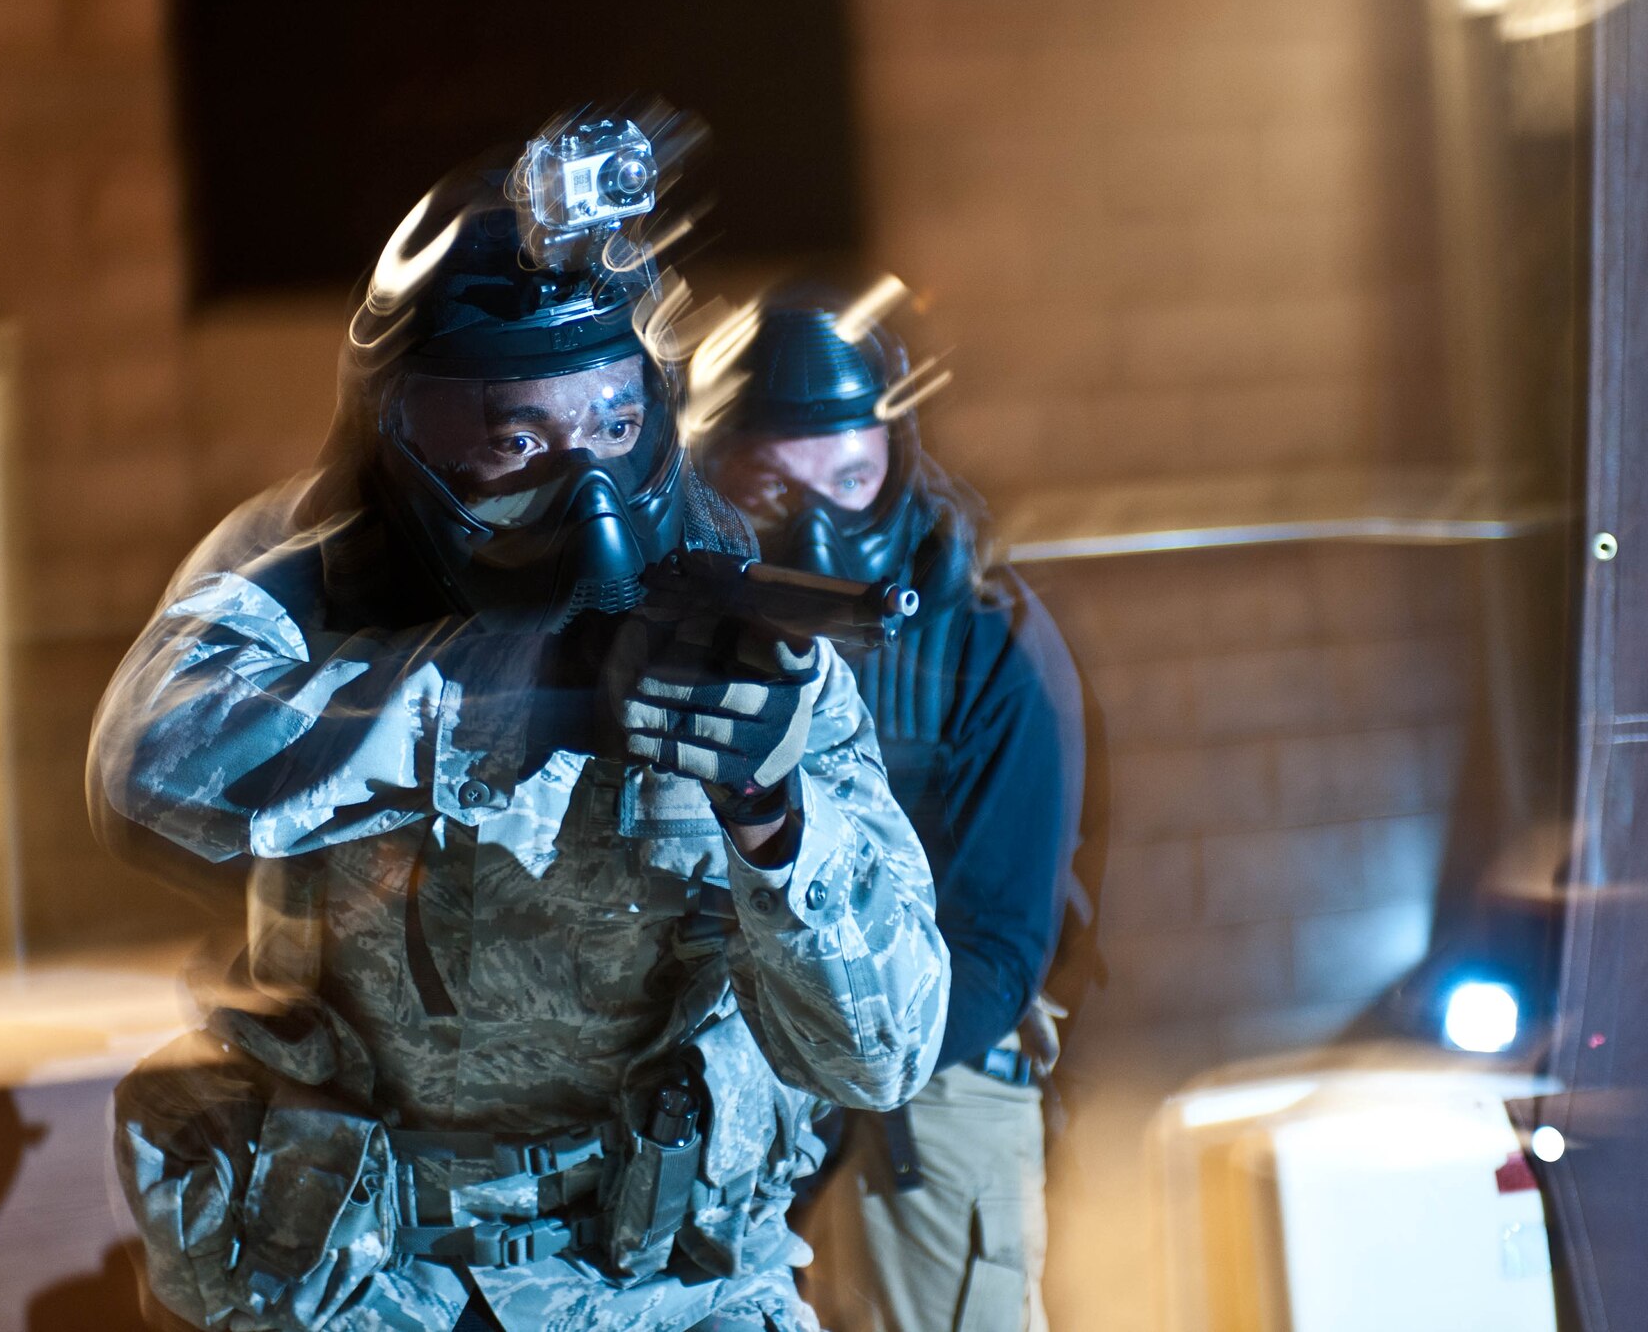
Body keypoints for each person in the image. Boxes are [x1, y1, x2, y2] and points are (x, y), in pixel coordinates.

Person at [87, 113, 949, 1332]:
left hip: (680, 1281)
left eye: (609, 426)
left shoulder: (737, 622)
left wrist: (771, 818)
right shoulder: (316, 577)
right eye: (516, 441)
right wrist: (509, 696)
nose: (583, 485)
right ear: (412, 444)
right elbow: (148, 763)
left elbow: (880, 1051)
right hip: (382, 1278)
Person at [699, 285, 1087, 1332]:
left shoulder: (986, 643)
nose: (821, 527)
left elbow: (1002, 948)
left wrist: (840, 1069)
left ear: (894, 455)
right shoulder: (665, 633)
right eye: (777, 489)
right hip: (701, 1074)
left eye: (853, 479)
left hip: (930, 1068)